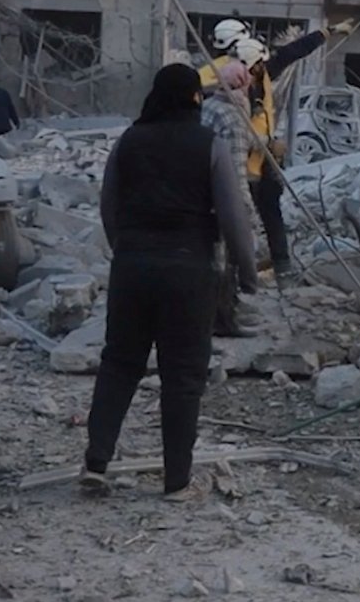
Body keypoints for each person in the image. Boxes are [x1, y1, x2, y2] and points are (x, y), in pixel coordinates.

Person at [82, 64, 259, 501]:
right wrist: (248, 271)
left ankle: (96, 463)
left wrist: (128, 248)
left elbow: (109, 207)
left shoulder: (129, 141)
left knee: (120, 364)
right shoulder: (208, 145)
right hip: (189, 270)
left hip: (132, 268)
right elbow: (234, 217)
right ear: (194, 99)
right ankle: (177, 481)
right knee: (182, 376)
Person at [199, 18, 353, 280]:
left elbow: (291, 52)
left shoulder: (258, 69)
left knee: (269, 209)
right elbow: (223, 122)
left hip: (262, 157)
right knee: (237, 216)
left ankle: (279, 265)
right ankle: (233, 274)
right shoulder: (223, 77)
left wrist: (328, 32)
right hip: (236, 158)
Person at [198, 60, 260, 335]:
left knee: (212, 259)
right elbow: (234, 171)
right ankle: (223, 319)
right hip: (224, 197)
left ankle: (212, 313)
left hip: (200, 196)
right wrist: (245, 211)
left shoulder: (209, 106)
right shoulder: (232, 118)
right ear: (242, 84)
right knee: (228, 260)